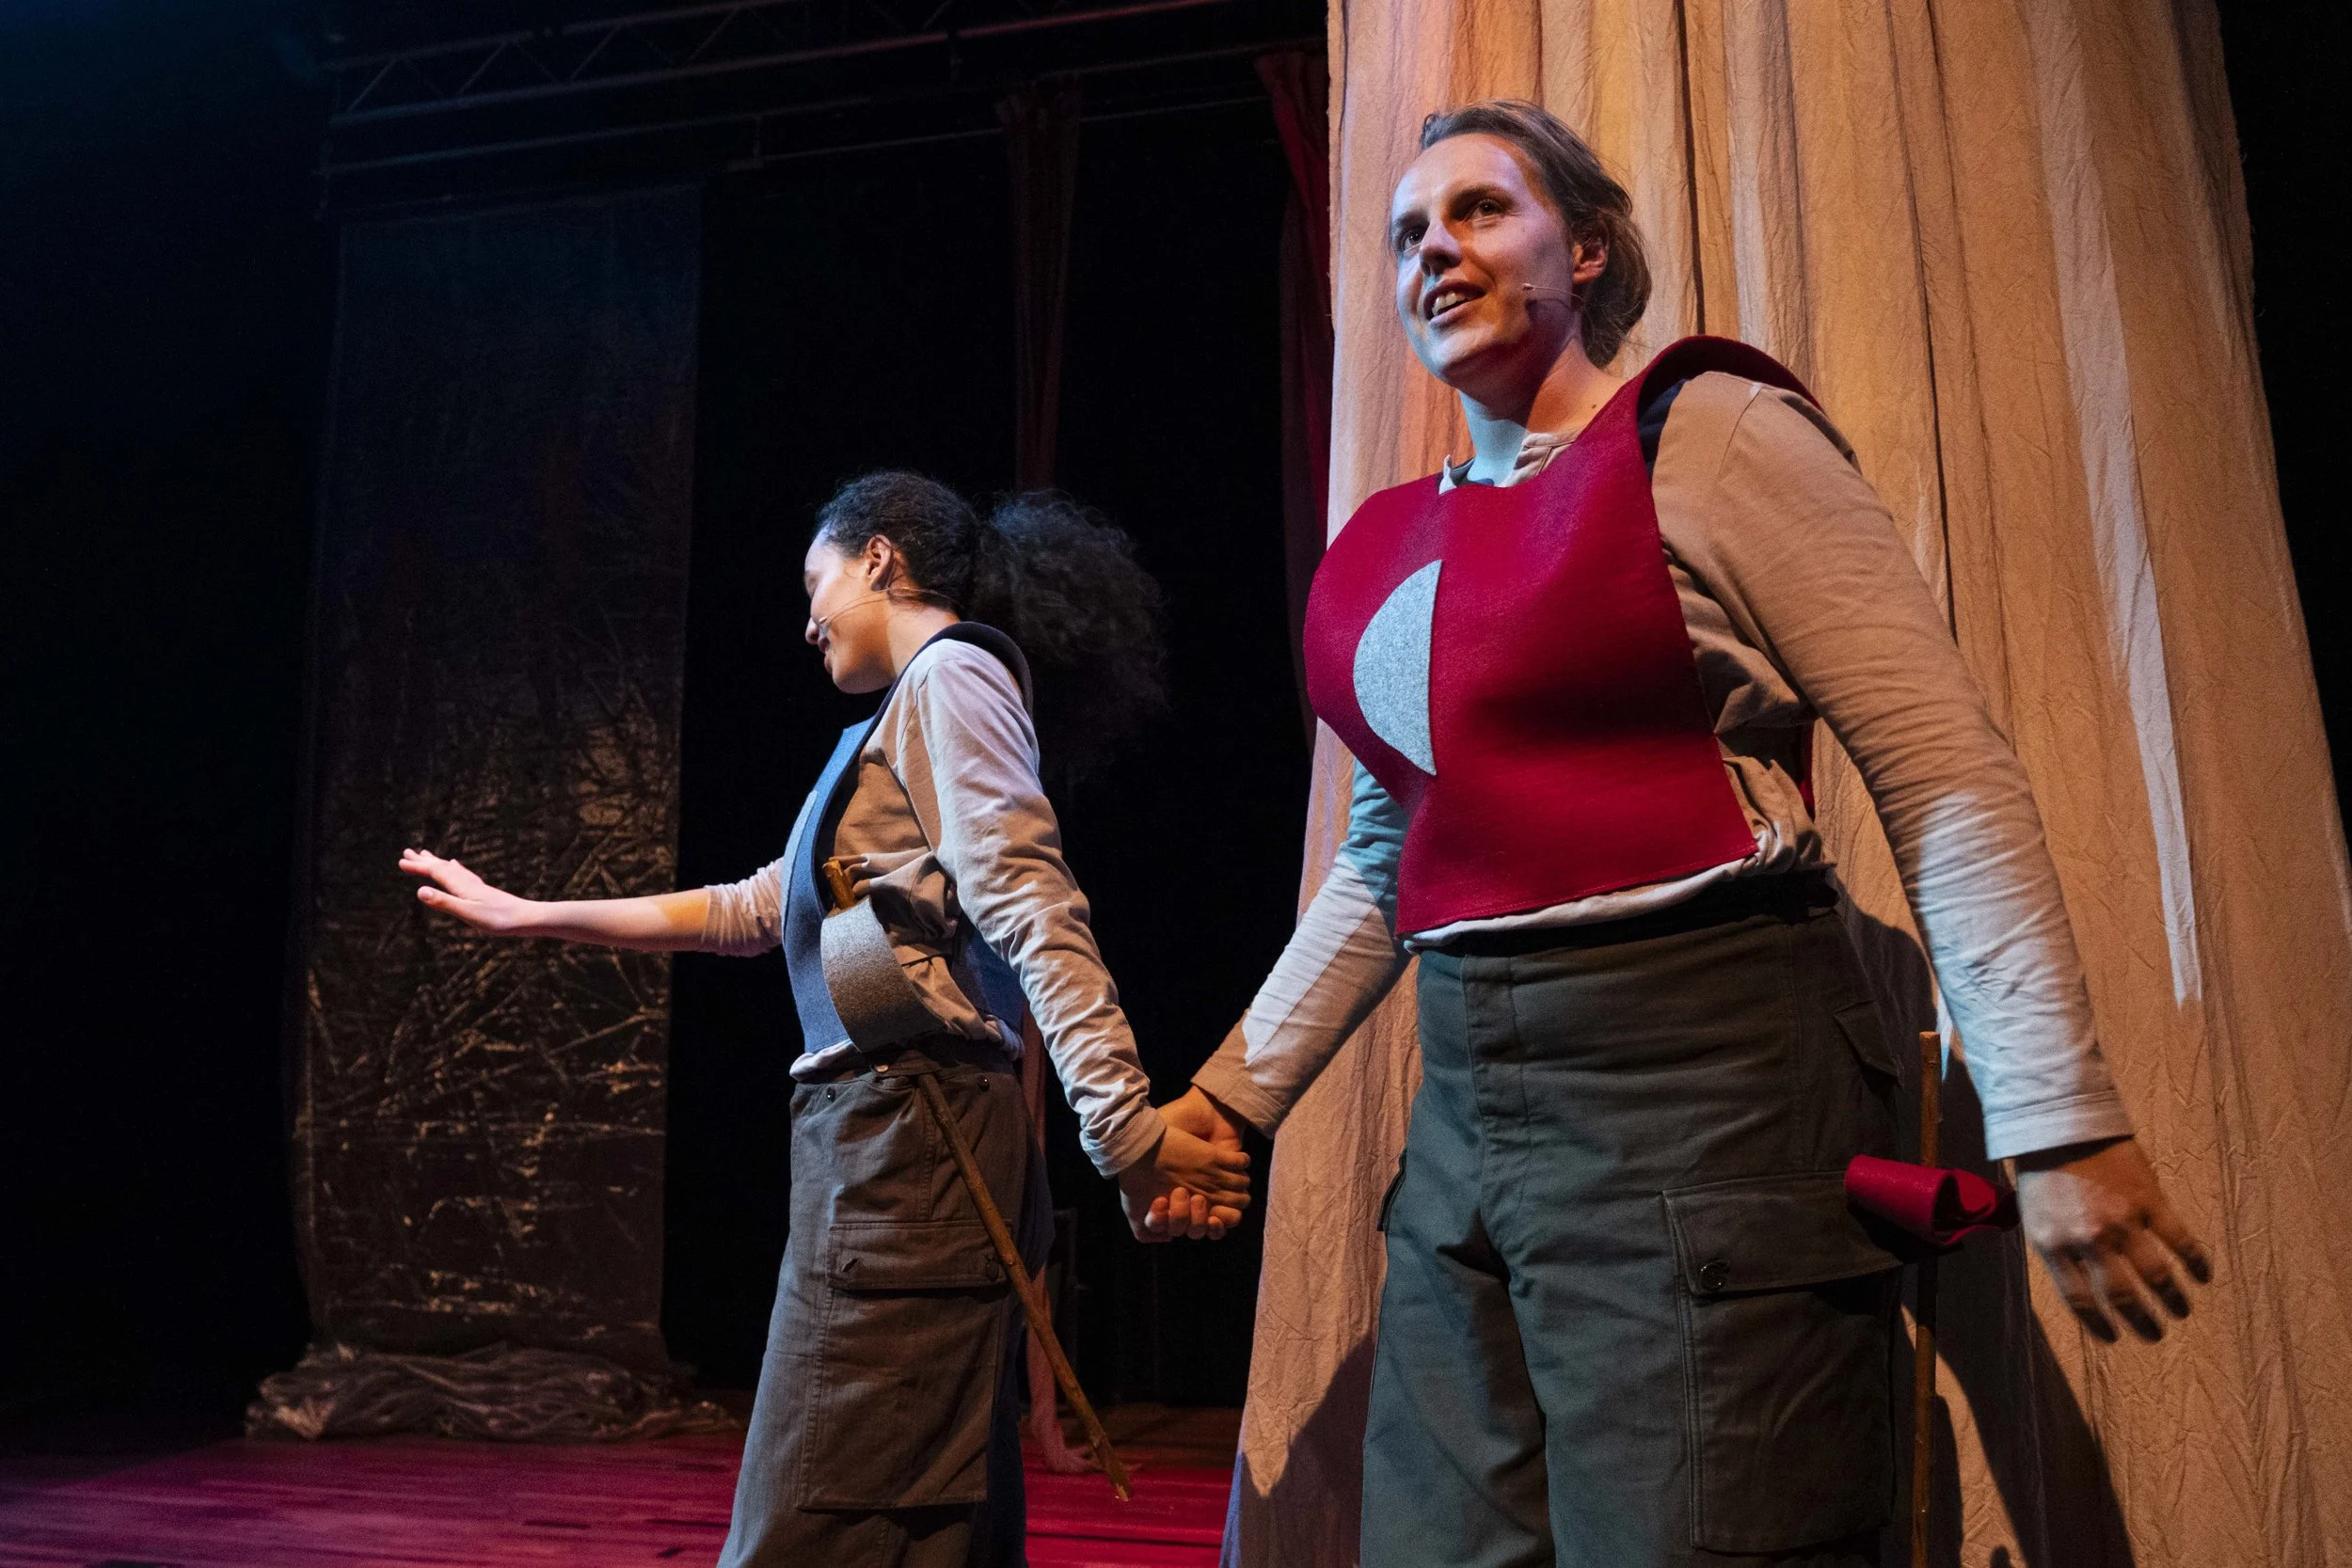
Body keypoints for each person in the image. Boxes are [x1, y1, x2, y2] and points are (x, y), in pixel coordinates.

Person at [1150, 101, 2212, 1567]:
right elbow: (1391, 860)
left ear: (1583, 247)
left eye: (1477, 212)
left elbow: (1939, 768)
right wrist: (1232, 1095)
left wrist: (2058, 1117)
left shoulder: (1705, 437)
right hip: (1467, 1117)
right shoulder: (1389, 543)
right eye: (1406, 233)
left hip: (1700, 1081)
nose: (1433, 252)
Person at [401, 471, 1251, 1568]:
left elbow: (1033, 905)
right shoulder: (892, 726)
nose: (806, 620)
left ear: (880, 559)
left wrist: (1121, 1131)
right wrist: (536, 913)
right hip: (895, 1141)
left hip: (914, 1143)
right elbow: (757, 906)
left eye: (818, 581)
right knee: (926, 1516)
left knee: (821, 1513)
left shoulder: (953, 678)